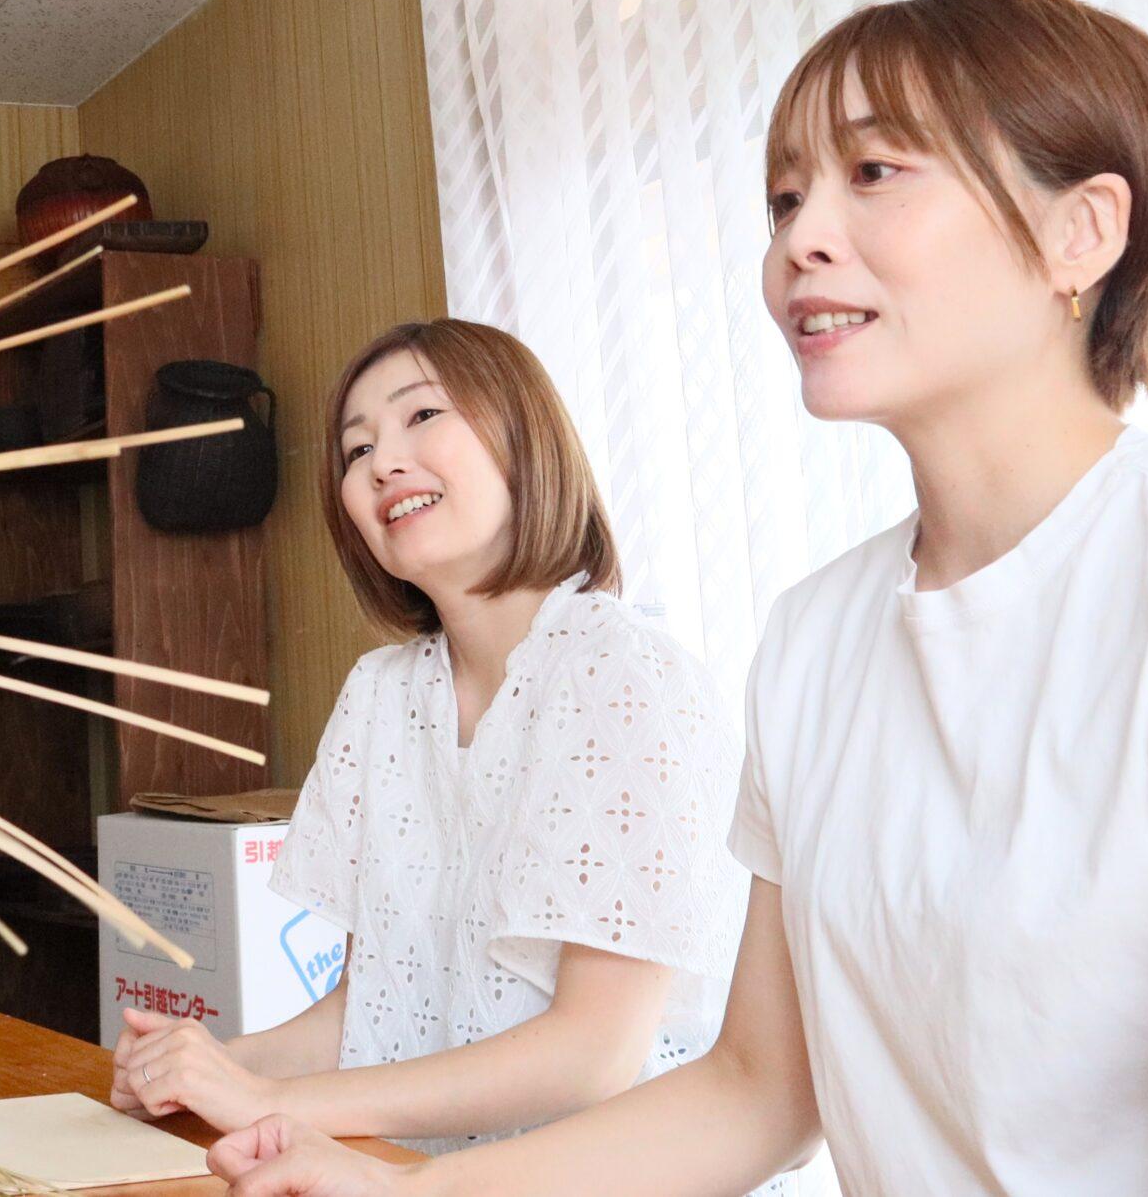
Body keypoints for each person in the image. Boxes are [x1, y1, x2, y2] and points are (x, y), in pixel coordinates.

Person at [204, 0, 1148, 1197]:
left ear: (1082, 232)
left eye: (874, 173)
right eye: (785, 196)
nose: (799, 236)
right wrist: (403, 1191)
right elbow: (756, 1091)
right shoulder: (815, 639)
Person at [112, 320, 752, 1164]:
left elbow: (594, 1052)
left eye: (421, 417)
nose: (382, 461)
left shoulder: (621, 674)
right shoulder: (381, 692)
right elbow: (372, 1005)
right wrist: (203, 1066)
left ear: (524, 441)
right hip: (421, 1174)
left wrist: (267, 1100)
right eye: (355, 448)